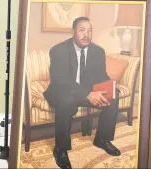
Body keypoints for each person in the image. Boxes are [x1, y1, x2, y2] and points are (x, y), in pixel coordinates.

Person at [43, 17, 120, 169]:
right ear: (73, 32)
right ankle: (60, 149)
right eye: (82, 30)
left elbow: (101, 76)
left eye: (89, 30)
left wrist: (108, 88)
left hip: (86, 91)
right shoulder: (58, 50)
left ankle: (102, 139)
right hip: (61, 90)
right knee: (67, 102)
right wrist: (87, 94)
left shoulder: (98, 51)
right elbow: (60, 79)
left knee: (114, 95)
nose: (87, 34)